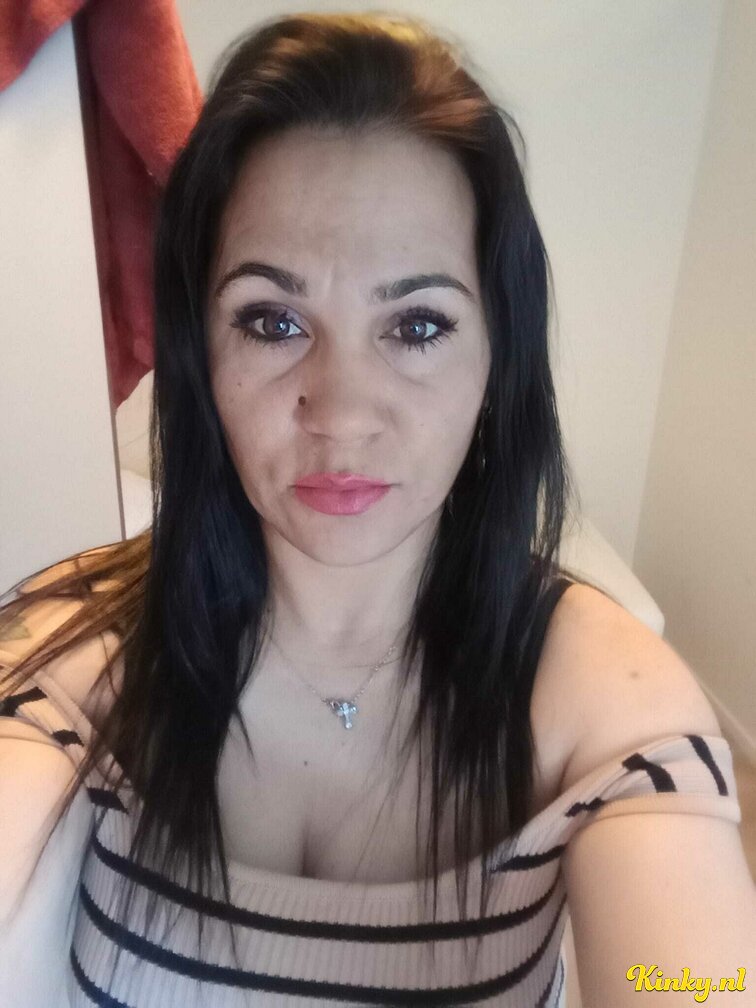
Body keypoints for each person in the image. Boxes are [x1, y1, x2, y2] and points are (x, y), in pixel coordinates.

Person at [0, 12, 753, 1008]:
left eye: (418, 325)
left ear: (497, 360)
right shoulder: (71, 656)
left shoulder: (612, 706)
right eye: (273, 321)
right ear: (199, 353)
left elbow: (695, 981)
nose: (343, 413)